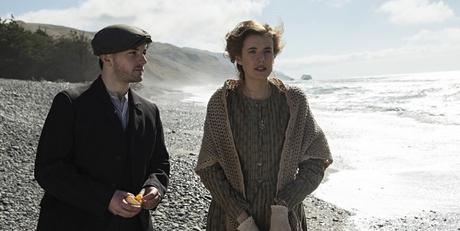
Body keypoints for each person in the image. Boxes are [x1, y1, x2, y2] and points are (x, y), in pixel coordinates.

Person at [195, 20, 333, 231]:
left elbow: (316, 161)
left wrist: (283, 206)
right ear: (238, 57)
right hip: (231, 220)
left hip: (283, 220)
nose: (261, 58)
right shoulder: (221, 103)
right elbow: (209, 168)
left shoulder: (294, 101)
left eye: (267, 51)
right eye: (252, 51)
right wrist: (241, 217)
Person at [34, 24, 170, 231]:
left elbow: (159, 163)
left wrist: (154, 187)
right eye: (133, 53)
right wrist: (105, 198)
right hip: (73, 223)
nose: (143, 60)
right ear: (107, 58)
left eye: (143, 53)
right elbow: (48, 169)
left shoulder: (150, 111)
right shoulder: (71, 104)